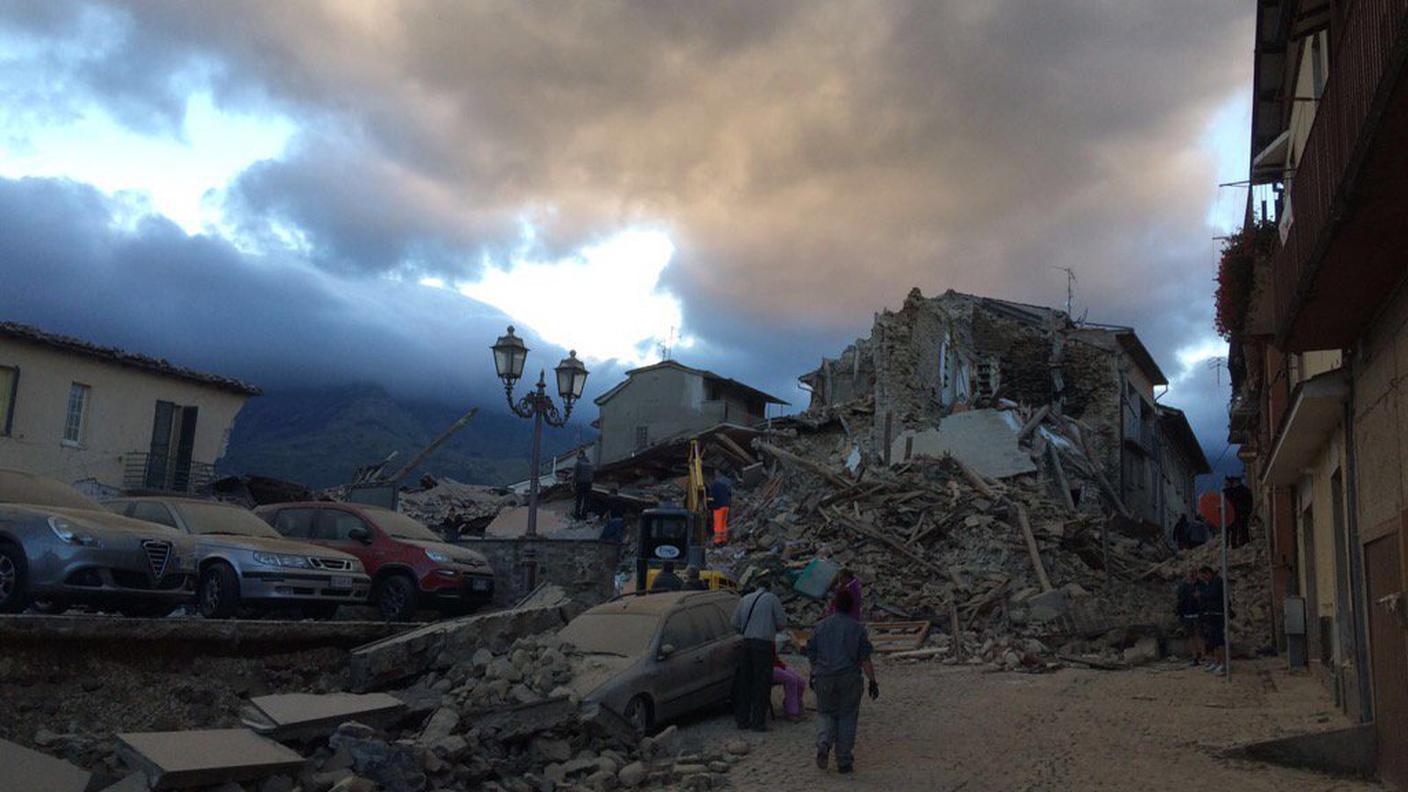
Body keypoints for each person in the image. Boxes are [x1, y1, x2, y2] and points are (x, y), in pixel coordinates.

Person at [806, 587, 877, 774]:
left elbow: (811, 652)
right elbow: (865, 659)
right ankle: (844, 761)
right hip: (849, 678)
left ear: (834, 605)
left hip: (824, 676)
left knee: (825, 713)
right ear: (851, 606)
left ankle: (823, 743)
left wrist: (813, 672)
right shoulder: (857, 629)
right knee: (847, 716)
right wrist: (873, 681)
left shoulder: (820, 626)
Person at [732, 582, 788, 732]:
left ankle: (742, 720)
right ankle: (758, 722)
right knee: (762, 684)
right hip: (763, 645)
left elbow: (734, 623)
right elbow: (782, 623)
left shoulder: (745, 599)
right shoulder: (772, 599)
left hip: (746, 644)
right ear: (769, 587)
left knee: (745, 682)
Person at [1196, 565, 1227, 674]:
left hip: (1217, 614)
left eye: (1204, 576)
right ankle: (1217, 662)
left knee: (1219, 640)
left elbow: (1213, 594)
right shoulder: (1210, 583)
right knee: (1213, 640)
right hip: (1210, 614)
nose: (1204, 579)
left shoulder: (1217, 581)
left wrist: (1202, 594)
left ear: (1208, 573)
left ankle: (1223, 664)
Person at [1176, 570, 1204, 666]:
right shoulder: (1183, 586)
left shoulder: (1201, 584)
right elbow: (1180, 600)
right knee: (1190, 636)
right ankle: (1195, 657)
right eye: (1190, 573)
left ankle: (1203, 657)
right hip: (1187, 614)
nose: (1191, 575)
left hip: (1198, 614)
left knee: (1200, 635)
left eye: (1193, 572)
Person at [773, 646, 807, 722]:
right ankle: (792, 712)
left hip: (778, 664)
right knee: (791, 680)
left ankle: (794, 704)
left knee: (801, 681)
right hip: (768, 667)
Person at [1223, 476, 1254, 548]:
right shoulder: (1246, 490)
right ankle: (1243, 541)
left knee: (1234, 529)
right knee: (1242, 527)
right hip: (1244, 511)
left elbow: (1233, 502)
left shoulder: (1233, 491)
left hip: (1236, 512)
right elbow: (1250, 501)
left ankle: (1231, 543)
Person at [707, 469, 733, 545]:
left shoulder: (714, 486)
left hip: (719, 507)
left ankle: (717, 541)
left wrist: (708, 502)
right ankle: (724, 539)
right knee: (723, 524)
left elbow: (713, 497)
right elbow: (729, 494)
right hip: (726, 506)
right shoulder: (724, 485)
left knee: (718, 525)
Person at [573, 450, 594, 520]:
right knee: (586, 501)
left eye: (577, 454)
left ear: (581, 454)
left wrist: (572, 484)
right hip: (588, 484)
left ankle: (577, 515)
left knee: (578, 500)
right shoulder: (590, 463)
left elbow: (575, 475)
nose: (576, 456)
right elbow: (592, 475)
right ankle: (584, 516)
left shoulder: (578, 463)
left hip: (580, 484)